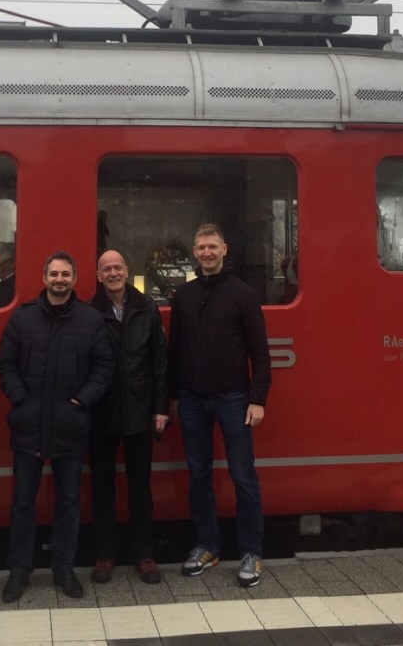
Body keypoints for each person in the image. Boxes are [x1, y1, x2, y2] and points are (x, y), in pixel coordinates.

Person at [0, 251, 113, 603]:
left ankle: (64, 569)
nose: (59, 280)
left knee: (69, 501)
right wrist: (21, 400)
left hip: (69, 424)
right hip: (28, 424)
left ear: (74, 279)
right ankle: (19, 571)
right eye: (54, 274)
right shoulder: (22, 317)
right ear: (44, 278)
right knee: (22, 502)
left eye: (65, 275)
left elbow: (103, 366)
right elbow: (5, 363)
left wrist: (81, 401)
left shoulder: (91, 320)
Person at [167, 224, 271, 588]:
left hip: (234, 399)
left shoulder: (243, 294)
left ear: (224, 249)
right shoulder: (183, 295)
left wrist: (258, 399)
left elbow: (260, 352)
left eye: (212, 246)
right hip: (191, 399)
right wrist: (173, 395)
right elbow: (175, 351)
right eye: (201, 247)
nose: (207, 252)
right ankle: (208, 547)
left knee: (243, 476)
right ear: (194, 253)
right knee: (198, 475)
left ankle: (251, 553)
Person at [87, 250, 169, 585]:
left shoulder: (146, 307)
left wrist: (160, 408)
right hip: (101, 412)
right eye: (106, 269)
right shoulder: (89, 312)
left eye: (117, 267)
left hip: (139, 410)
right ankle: (105, 554)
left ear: (126, 270)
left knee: (140, 489)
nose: (112, 273)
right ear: (98, 275)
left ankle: (144, 555)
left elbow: (159, 361)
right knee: (101, 488)